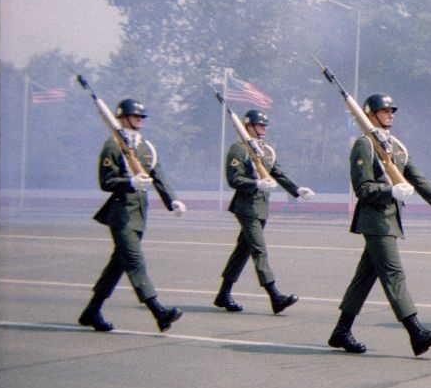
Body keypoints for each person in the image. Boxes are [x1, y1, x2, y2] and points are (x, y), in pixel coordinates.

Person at [327, 93, 431, 357]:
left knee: (364, 278)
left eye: (392, 110)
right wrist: (390, 192)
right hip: (375, 220)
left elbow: (416, 176)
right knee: (393, 274)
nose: (391, 114)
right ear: (371, 114)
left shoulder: (395, 146)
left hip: (388, 220)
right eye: (385, 110)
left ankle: (341, 331)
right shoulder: (364, 145)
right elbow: (362, 188)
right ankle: (416, 332)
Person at [78, 98, 187, 333]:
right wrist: (129, 182)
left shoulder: (145, 147)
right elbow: (106, 181)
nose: (140, 120)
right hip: (120, 214)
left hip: (139, 215)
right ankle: (159, 311)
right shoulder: (113, 145)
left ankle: (92, 311)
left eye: (142, 116)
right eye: (136, 116)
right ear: (123, 117)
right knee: (135, 262)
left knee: (118, 264)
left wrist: (172, 200)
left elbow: (157, 174)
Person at [213, 109, 313, 315]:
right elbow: (234, 180)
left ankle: (223, 294)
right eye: (260, 125)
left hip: (261, 208)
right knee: (259, 250)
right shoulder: (239, 149)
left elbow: (278, 173)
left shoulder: (266, 150)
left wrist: (296, 190)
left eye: (265, 126)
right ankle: (274, 295)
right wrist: (257, 184)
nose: (263, 129)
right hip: (246, 207)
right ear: (248, 126)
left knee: (242, 251)